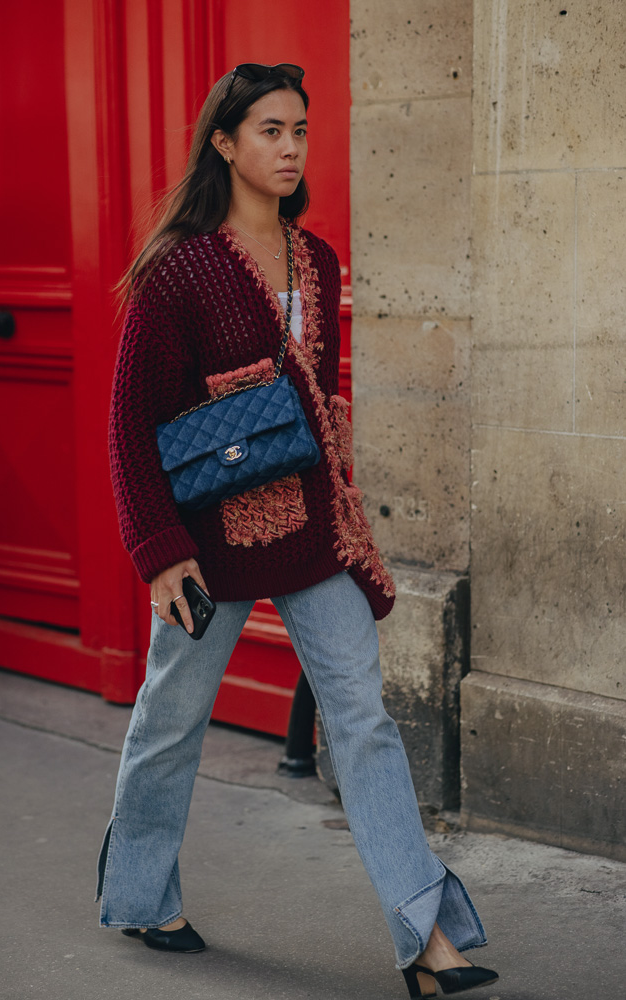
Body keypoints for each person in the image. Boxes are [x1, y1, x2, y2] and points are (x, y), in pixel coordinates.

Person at [96, 62, 499, 998]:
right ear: (225, 144)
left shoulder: (316, 260)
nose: (288, 147)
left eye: (299, 131)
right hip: (205, 544)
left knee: (363, 722)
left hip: (311, 532)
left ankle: (427, 937)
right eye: (269, 130)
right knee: (168, 721)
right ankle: (140, 892)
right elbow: (131, 422)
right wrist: (160, 552)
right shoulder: (178, 269)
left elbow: (316, 403)